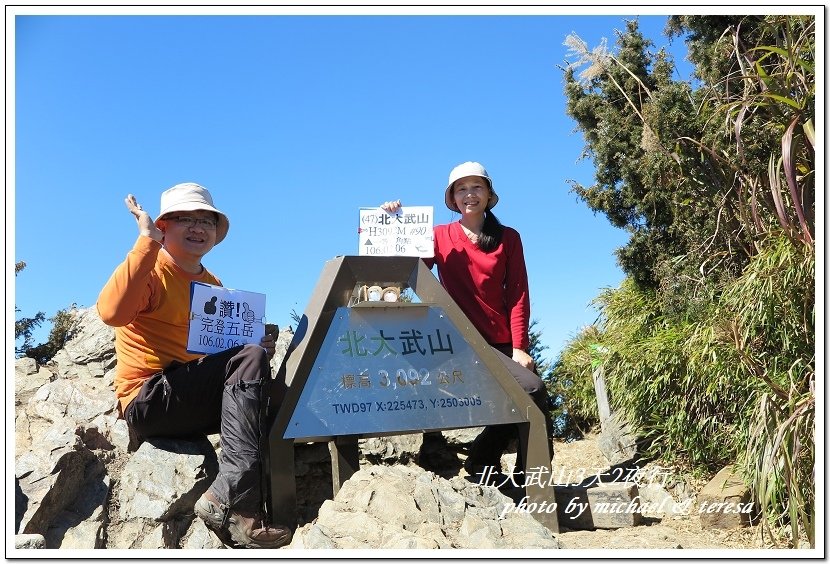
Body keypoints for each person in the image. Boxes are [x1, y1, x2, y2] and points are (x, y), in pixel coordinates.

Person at [97, 182, 290, 549]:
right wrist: (145, 242)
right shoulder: (151, 271)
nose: (198, 227)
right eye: (185, 218)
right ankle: (234, 502)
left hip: (186, 395)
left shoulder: (212, 285)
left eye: (207, 221)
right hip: (147, 399)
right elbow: (111, 312)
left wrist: (254, 345)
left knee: (271, 385)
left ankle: (264, 507)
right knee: (250, 360)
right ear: (164, 227)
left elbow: (216, 354)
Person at [381, 161, 554, 480]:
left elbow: (518, 294)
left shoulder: (508, 238)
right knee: (532, 389)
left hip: (503, 343)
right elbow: (405, 271)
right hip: (460, 342)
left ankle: (519, 474)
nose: (469, 194)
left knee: (531, 395)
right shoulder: (438, 236)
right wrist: (392, 222)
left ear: (489, 194)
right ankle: (504, 466)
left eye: (477, 187)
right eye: (461, 188)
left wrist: (520, 346)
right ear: (453, 198)